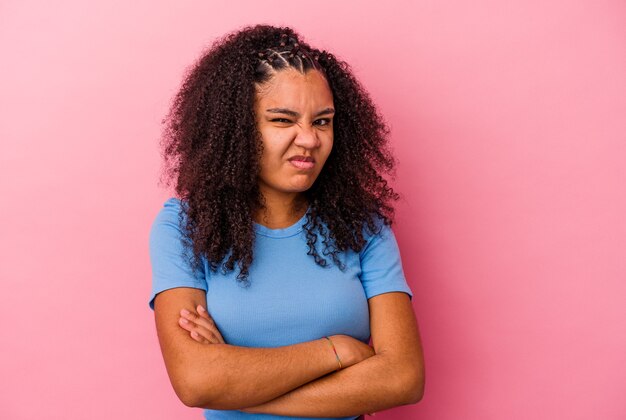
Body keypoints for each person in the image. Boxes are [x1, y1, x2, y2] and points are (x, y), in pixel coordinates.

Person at [148, 24, 425, 420]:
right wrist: (337, 350)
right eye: (282, 120)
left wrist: (234, 385)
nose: (309, 139)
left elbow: (403, 378)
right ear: (236, 129)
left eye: (323, 121)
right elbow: (196, 381)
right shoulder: (184, 228)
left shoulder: (363, 228)